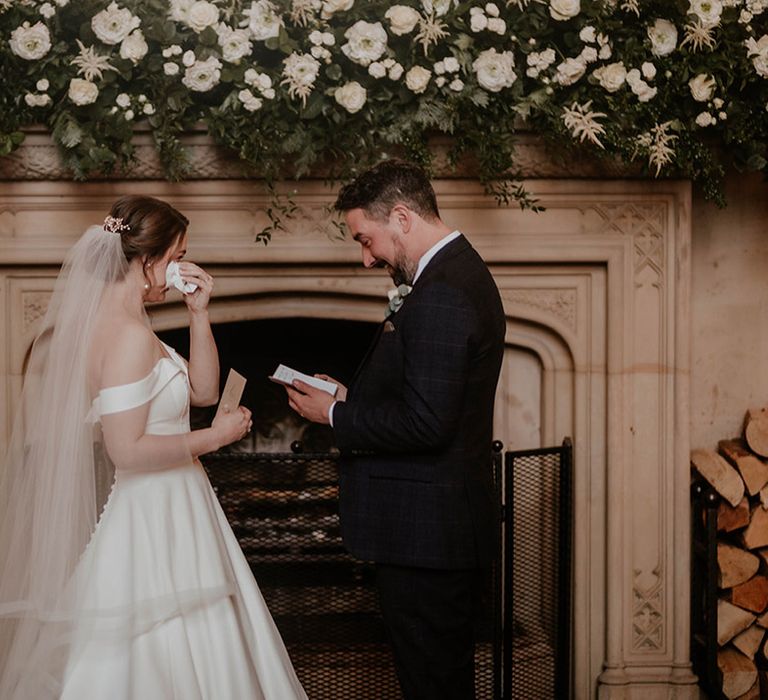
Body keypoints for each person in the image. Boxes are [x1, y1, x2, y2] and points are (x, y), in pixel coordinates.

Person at [0, 195, 307, 700]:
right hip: (152, 516)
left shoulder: (138, 329)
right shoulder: (124, 337)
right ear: (147, 262)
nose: (181, 267)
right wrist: (218, 437)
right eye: (176, 255)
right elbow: (127, 450)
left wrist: (199, 314)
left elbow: (204, 392)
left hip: (180, 507)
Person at [285, 159, 505, 700]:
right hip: (434, 532)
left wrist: (333, 416)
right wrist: (348, 396)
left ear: (402, 218)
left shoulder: (444, 292)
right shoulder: (454, 274)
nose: (365, 258)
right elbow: (430, 398)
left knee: (433, 685)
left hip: (427, 537)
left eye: (367, 239)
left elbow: (427, 424)